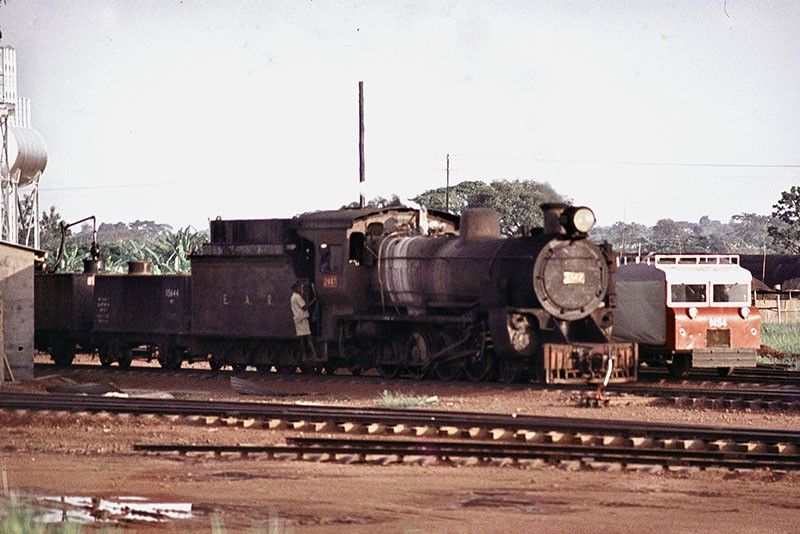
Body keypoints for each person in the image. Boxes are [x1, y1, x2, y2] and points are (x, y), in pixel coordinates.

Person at [290, 280, 318, 359]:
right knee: (308, 337)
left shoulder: (293, 297)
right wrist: (314, 300)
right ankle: (314, 354)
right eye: (299, 287)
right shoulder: (297, 297)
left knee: (302, 338)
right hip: (302, 319)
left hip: (297, 319)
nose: (300, 289)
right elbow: (304, 307)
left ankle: (304, 355)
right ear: (296, 288)